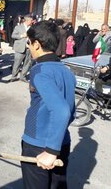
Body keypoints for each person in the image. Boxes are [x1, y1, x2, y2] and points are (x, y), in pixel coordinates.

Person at [21, 21, 76, 189]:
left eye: (29, 43)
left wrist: (51, 151)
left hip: (39, 145)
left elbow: (62, 110)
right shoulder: (66, 70)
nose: (28, 47)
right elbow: (72, 111)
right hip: (62, 141)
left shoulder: (40, 71)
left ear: (37, 44)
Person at [9, 14, 33, 82]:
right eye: (31, 20)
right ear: (27, 20)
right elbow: (13, 35)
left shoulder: (32, 28)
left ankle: (23, 77)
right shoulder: (18, 27)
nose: (32, 21)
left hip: (29, 48)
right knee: (17, 63)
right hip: (20, 47)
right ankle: (14, 76)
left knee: (27, 64)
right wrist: (22, 35)